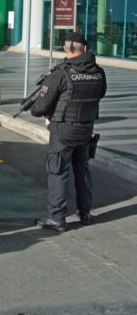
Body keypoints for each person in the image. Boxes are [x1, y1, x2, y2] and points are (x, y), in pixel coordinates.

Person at [30, 32, 107, 232]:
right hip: (85, 130)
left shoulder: (61, 73)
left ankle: (57, 218)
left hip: (63, 131)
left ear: (70, 48)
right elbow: (101, 94)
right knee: (82, 170)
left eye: (65, 46)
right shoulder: (99, 72)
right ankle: (85, 213)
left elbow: (38, 108)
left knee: (57, 172)